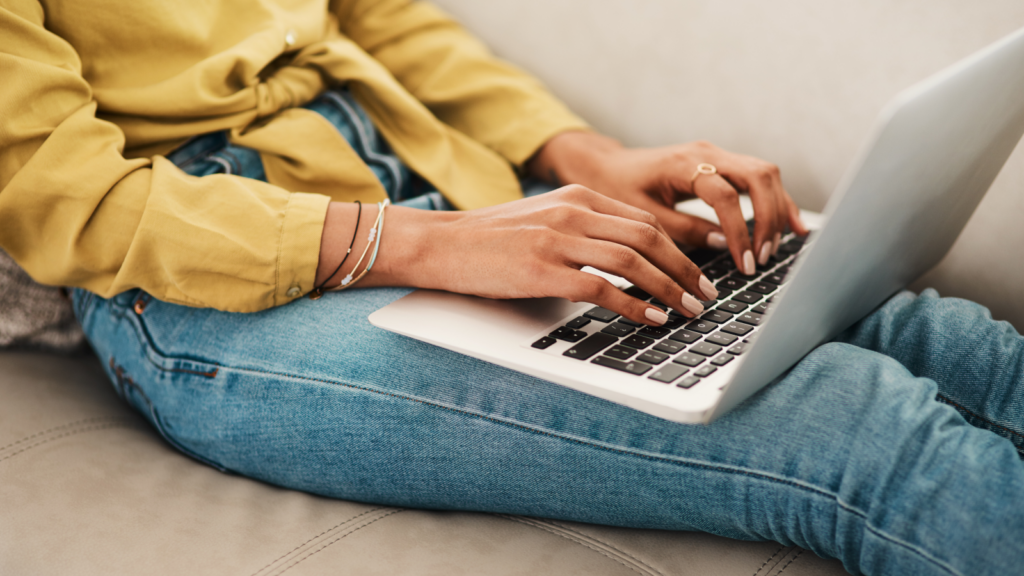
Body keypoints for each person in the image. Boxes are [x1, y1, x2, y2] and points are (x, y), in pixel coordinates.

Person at [1, 2, 1022, 575]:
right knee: (856, 427)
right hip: (213, 279)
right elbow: (63, 197)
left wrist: (579, 156)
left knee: (912, 325)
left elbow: (378, 18)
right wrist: (424, 245)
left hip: (424, 165)